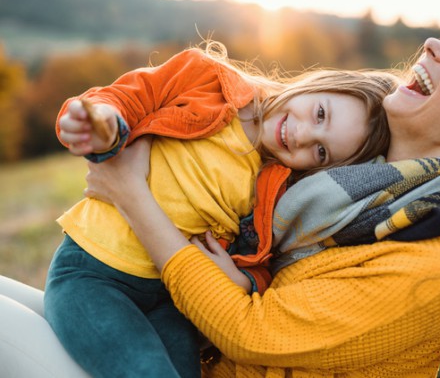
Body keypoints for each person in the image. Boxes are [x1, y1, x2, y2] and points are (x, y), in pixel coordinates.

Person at [0, 17, 440, 377]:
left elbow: (252, 332)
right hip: (153, 320)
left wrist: (131, 193)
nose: (437, 43)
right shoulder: (355, 175)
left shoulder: (431, 264)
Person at [43, 42, 399, 378]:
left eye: (321, 152)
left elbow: (267, 260)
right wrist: (105, 122)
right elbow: (128, 98)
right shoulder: (208, 78)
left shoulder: (277, 187)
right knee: (147, 371)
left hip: (170, 301)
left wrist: (244, 280)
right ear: (319, 83)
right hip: (92, 273)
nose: (304, 135)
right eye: (320, 113)